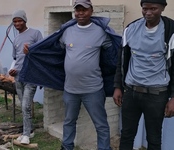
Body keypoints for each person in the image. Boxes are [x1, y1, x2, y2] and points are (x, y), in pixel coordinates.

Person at [21, 0, 121, 149]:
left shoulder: (100, 32)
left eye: (84, 10)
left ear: (91, 11)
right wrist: (34, 50)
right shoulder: (67, 31)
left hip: (93, 89)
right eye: (77, 10)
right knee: (69, 122)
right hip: (70, 89)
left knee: (101, 124)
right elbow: (56, 52)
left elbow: (112, 54)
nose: (80, 13)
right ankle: (67, 147)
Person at [113, 0, 174, 149]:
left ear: (162, 9)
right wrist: (117, 86)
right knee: (127, 134)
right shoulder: (131, 29)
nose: (148, 12)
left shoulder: (170, 31)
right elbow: (122, 60)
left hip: (157, 95)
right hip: (131, 92)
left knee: (153, 138)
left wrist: (173, 97)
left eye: (153, 8)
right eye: (145, 8)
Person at [9, 10, 43, 145]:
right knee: (24, 104)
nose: (17, 23)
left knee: (25, 106)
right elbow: (16, 58)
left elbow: (42, 52)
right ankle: (30, 130)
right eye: (15, 21)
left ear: (25, 20)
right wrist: (12, 69)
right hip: (18, 76)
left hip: (31, 76)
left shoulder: (35, 33)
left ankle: (26, 134)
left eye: (20, 20)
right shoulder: (16, 39)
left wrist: (32, 50)